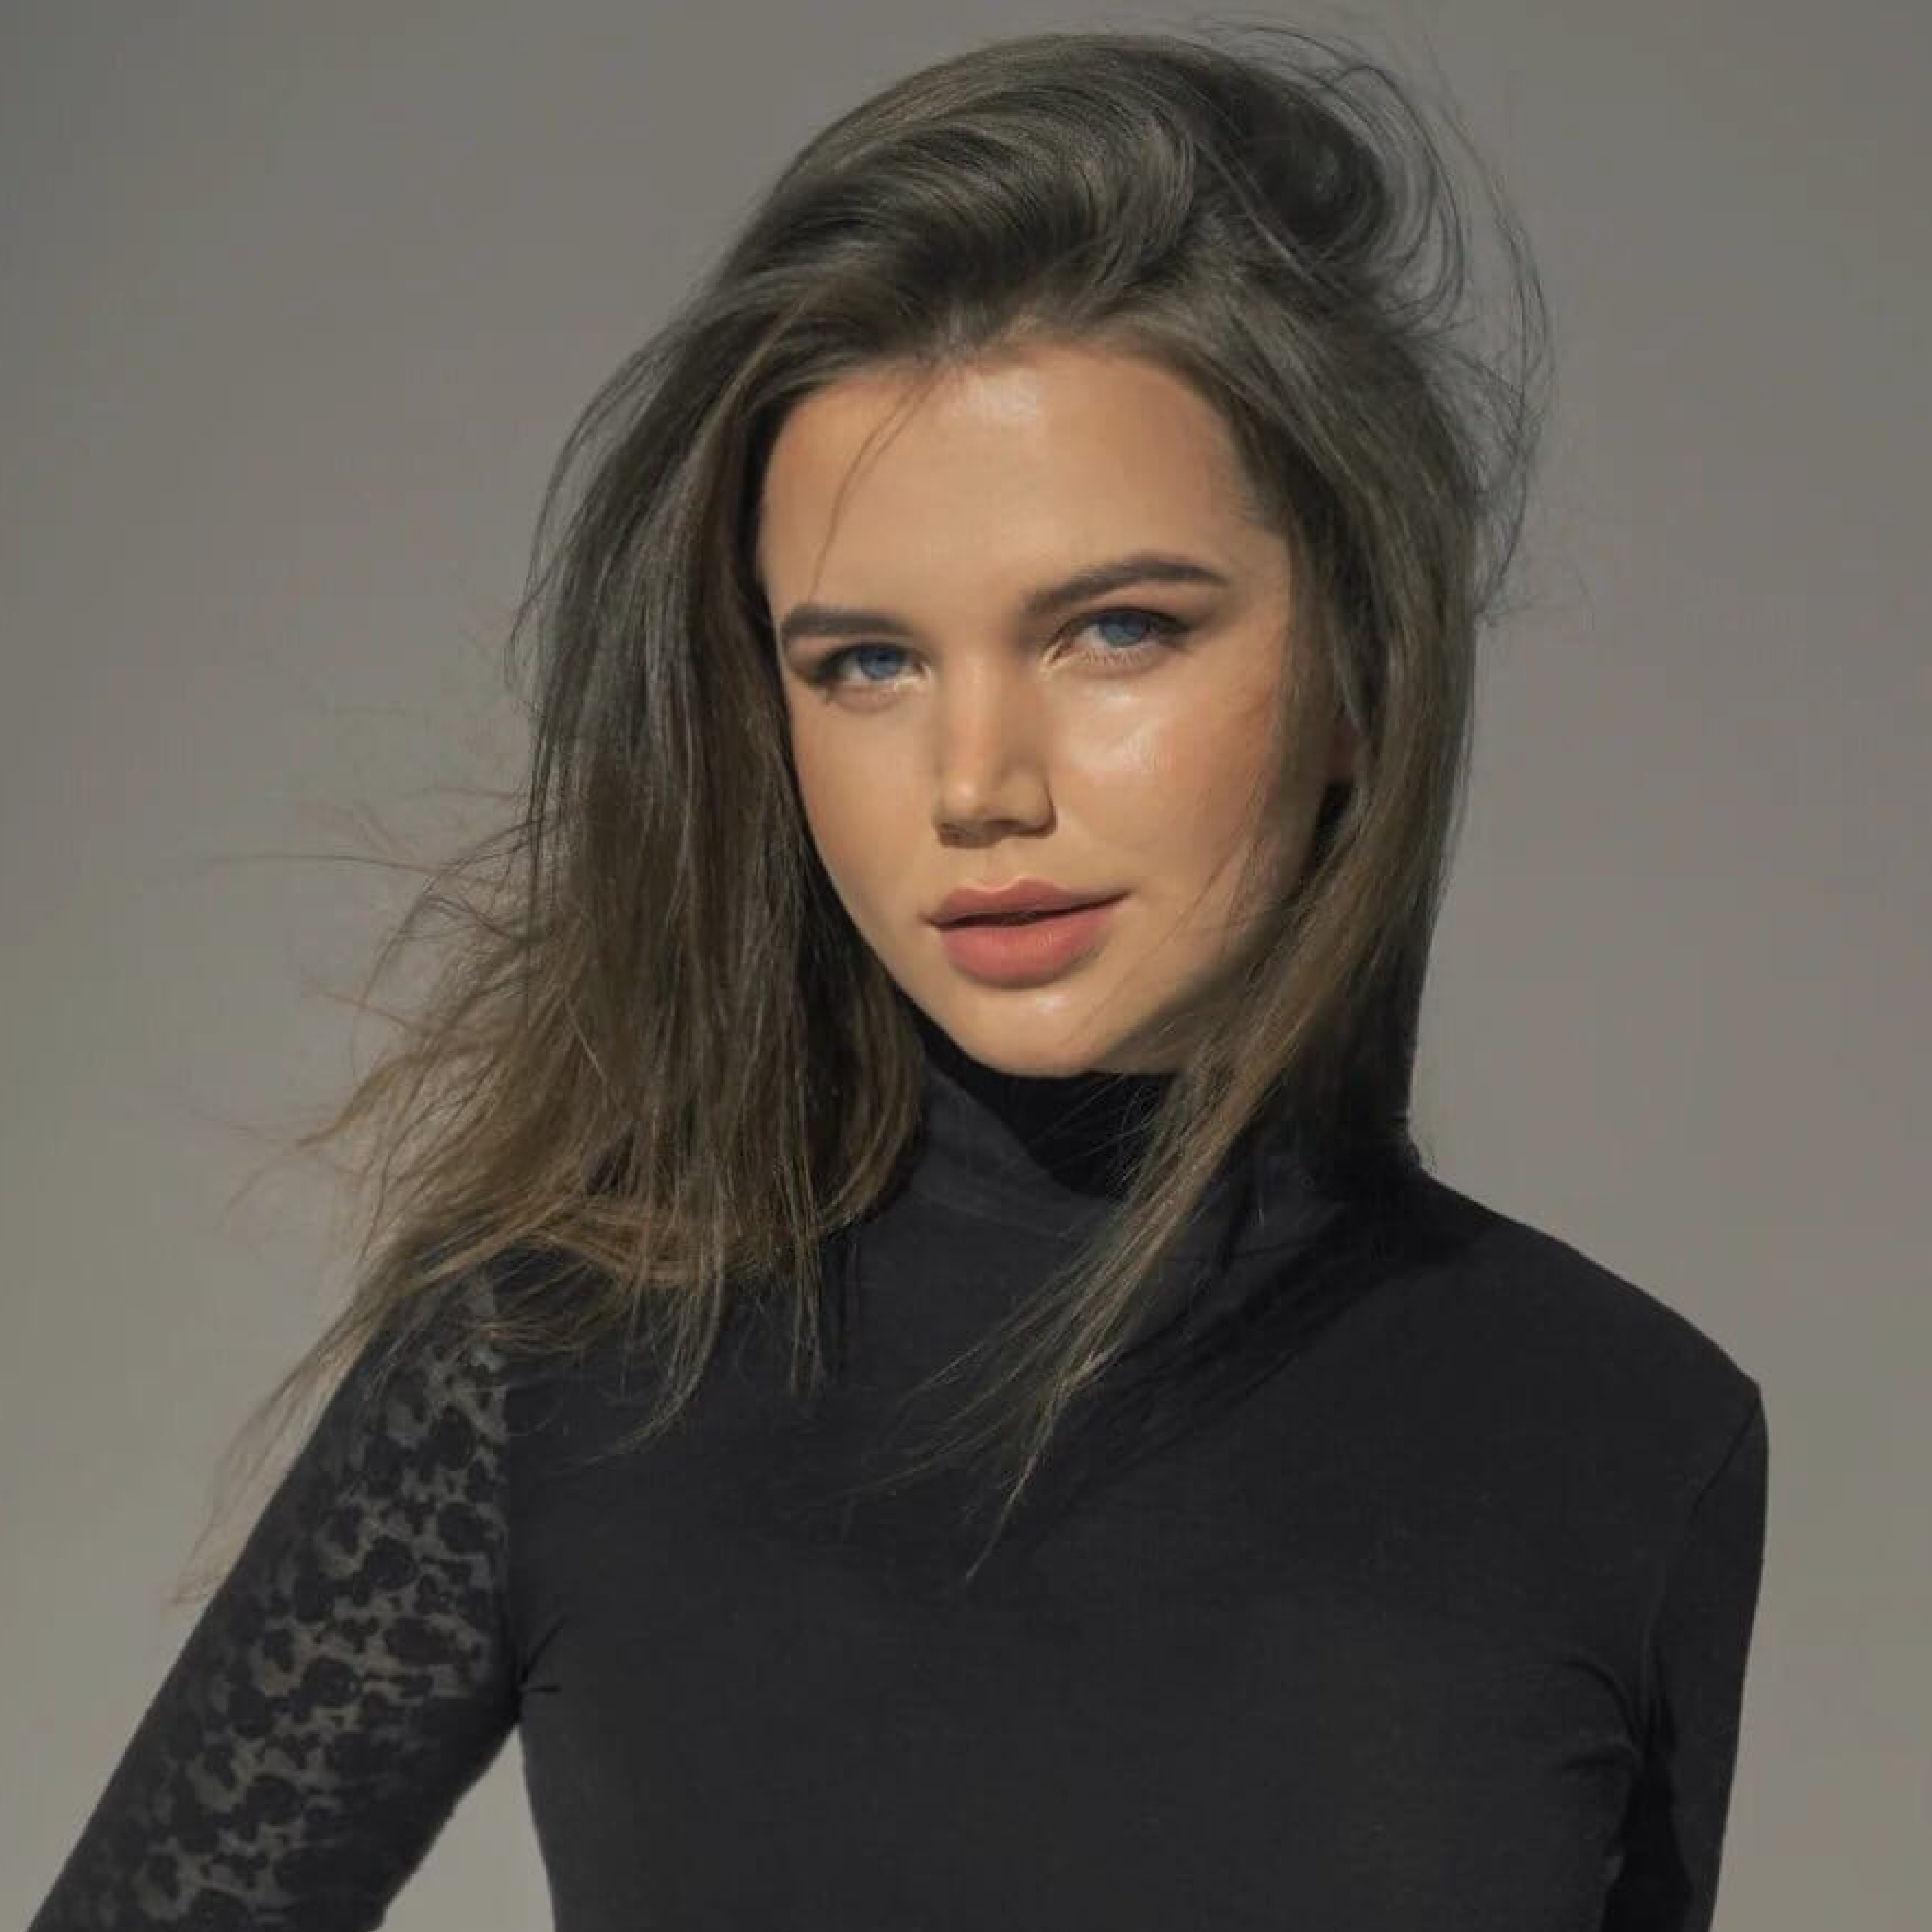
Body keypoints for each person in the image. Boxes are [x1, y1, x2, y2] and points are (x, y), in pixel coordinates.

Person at [28, 23, 1767, 1931]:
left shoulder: (1628, 1432)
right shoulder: (556, 1368)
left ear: (1364, 665)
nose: (976, 786)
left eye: (1117, 630)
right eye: (866, 662)